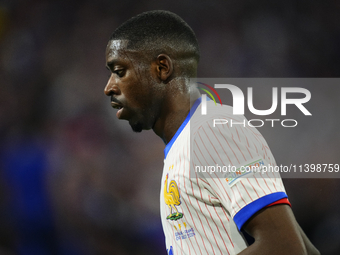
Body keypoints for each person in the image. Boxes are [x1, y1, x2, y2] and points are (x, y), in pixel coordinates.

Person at [103, 10, 319, 255]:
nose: (108, 87)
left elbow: (286, 248)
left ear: (162, 68)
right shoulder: (189, 141)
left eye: (120, 71)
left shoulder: (213, 131)